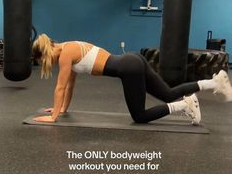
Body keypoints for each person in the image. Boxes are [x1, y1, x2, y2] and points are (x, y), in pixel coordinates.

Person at [32, 34, 232, 124]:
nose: (46, 65)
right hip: (133, 60)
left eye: (43, 62)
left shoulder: (66, 54)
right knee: (168, 94)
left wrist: (53, 117)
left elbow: (59, 87)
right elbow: (69, 86)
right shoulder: (68, 46)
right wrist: (62, 109)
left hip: (128, 68)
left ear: (46, 54)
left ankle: (186, 104)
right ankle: (215, 82)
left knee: (140, 116)